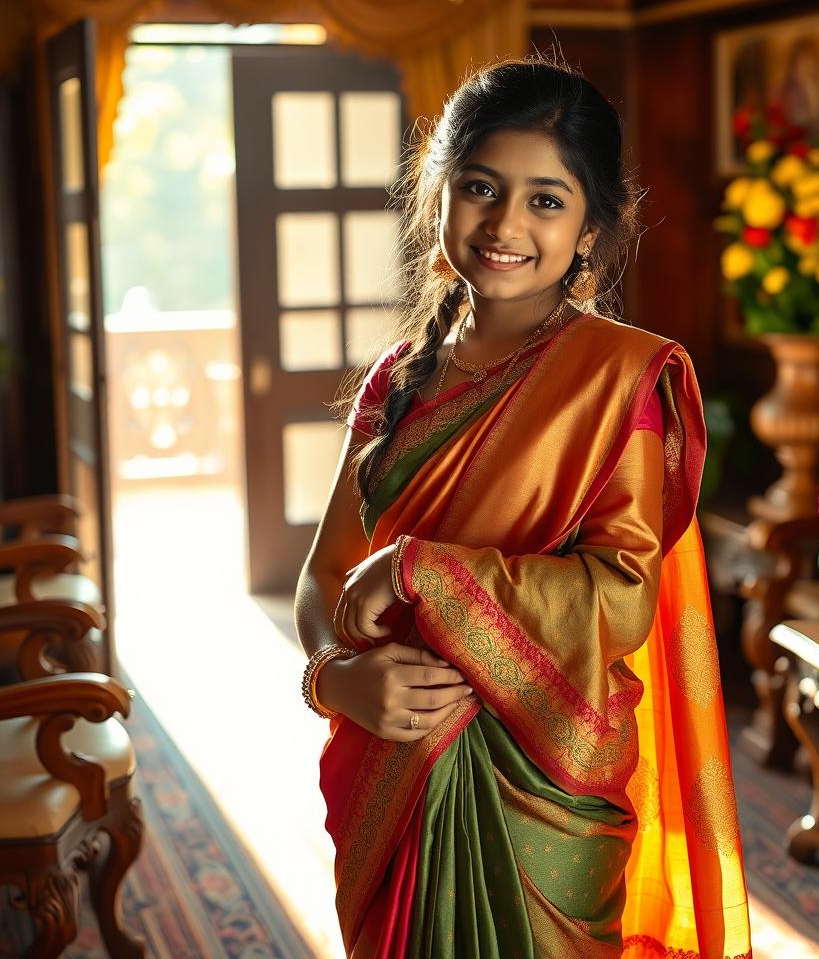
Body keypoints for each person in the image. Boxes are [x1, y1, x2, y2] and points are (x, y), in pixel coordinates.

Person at [295, 55, 752, 959]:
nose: (507, 224)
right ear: (440, 199)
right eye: (481, 188)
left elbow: (620, 597)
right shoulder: (397, 380)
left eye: (547, 200)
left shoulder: (620, 378)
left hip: (544, 787)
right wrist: (332, 678)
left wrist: (428, 570)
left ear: (591, 229)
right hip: (389, 772)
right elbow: (323, 574)